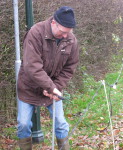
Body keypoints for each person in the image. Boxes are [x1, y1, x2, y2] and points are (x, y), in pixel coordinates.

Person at [17, 6, 79, 150]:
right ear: (53, 23)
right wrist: (50, 87)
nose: (65, 36)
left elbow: (70, 68)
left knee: (61, 123)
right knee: (23, 124)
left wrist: (55, 87)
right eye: (62, 32)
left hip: (54, 88)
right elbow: (32, 66)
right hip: (28, 87)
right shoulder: (35, 33)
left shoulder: (71, 40)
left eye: (68, 32)